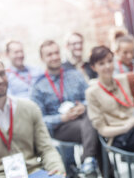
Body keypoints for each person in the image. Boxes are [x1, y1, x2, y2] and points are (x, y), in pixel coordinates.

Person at [0, 54, 65, 178]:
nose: (0, 80)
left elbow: (46, 148)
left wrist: (57, 170)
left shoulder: (29, 108)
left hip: (34, 173)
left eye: (2, 74)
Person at [31, 40, 100, 178]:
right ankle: (90, 163)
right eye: (49, 54)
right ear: (42, 58)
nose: (54, 57)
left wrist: (83, 106)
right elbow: (38, 120)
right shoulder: (38, 86)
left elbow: (90, 98)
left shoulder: (74, 74)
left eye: (56, 53)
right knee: (95, 126)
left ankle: (88, 162)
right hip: (60, 128)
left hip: (83, 119)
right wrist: (62, 118)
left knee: (91, 120)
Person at [86, 46, 134, 153]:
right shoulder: (92, 92)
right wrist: (126, 127)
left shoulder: (123, 79)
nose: (108, 66)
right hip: (119, 135)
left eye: (110, 61)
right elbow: (102, 130)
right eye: (101, 64)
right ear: (93, 67)